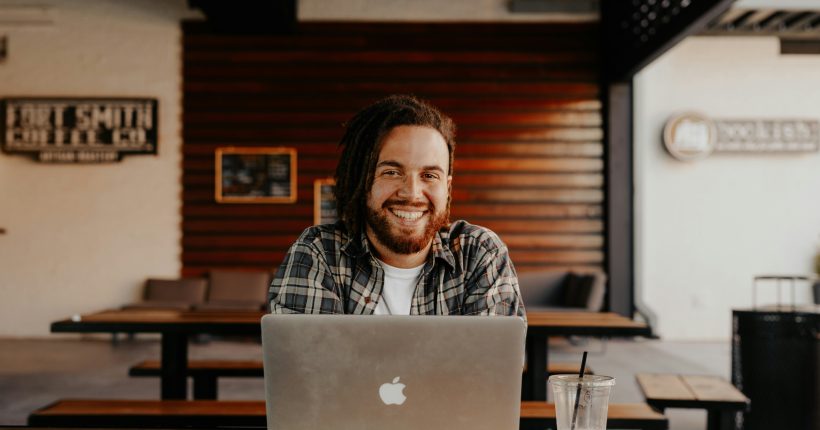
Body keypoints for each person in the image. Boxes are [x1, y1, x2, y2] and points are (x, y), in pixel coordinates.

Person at [268, 94, 524, 318]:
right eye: (391, 172)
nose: (412, 193)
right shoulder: (318, 255)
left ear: (448, 188)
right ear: (362, 179)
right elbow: (308, 370)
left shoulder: (479, 254)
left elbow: (488, 371)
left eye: (429, 175)